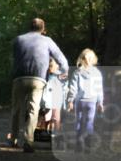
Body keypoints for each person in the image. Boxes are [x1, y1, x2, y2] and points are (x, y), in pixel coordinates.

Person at [9, 18, 69, 152]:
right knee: (33, 109)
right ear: (43, 29)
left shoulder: (18, 39)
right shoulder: (47, 40)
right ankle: (28, 142)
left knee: (16, 109)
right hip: (38, 78)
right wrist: (64, 72)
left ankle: (13, 139)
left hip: (19, 77)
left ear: (29, 27)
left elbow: (15, 58)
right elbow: (61, 59)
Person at [66, 48, 105, 153]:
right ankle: (88, 147)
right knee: (89, 123)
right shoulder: (97, 73)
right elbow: (99, 89)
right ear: (93, 60)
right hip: (92, 102)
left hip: (80, 102)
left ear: (82, 59)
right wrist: (100, 102)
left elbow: (72, 88)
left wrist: (70, 101)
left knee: (78, 123)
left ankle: (78, 147)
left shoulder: (77, 72)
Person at [39, 59, 66, 141]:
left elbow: (64, 89)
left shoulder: (60, 77)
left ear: (58, 67)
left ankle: (53, 133)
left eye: (52, 66)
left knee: (54, 118)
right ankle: (45, 132)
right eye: (49, 66)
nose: (50, 68)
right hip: (48, 101)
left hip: (55, 101)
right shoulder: (46, 76)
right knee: (47, 117)